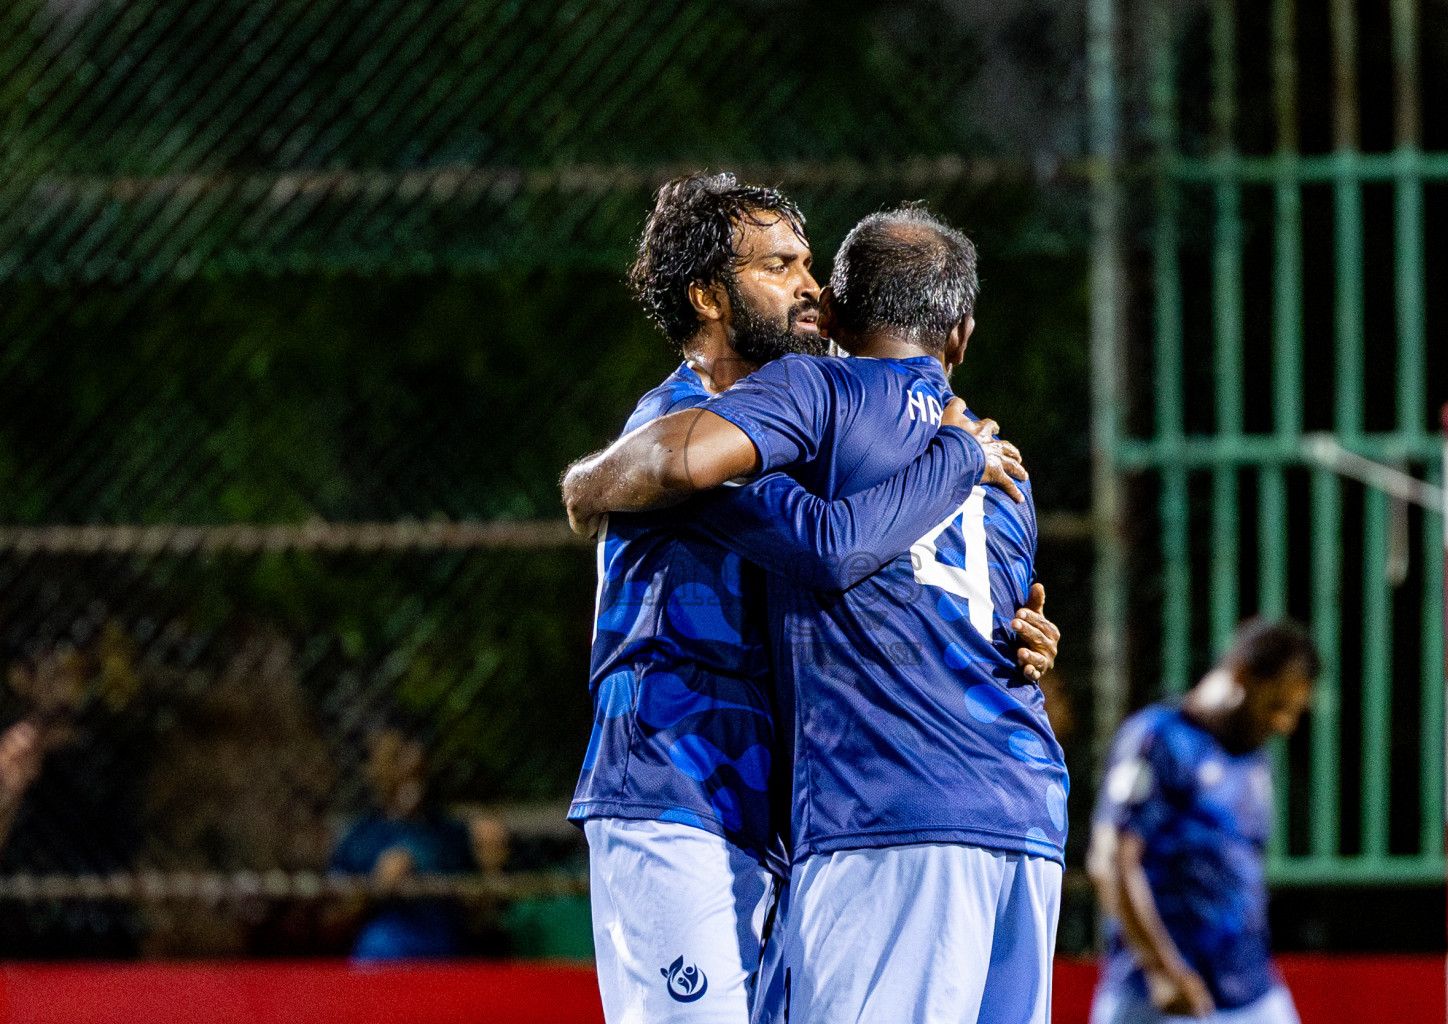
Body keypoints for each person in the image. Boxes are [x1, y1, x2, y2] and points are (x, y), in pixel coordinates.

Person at [562, 175, 1060, 1024]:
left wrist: (996, 634)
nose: (811, 286)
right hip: (675, 784)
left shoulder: (813, 421)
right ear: (707, 296)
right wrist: (586, 483)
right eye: (779, 266)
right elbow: (829, 547)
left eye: (809, 264)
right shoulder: (688, 424)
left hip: (794, 805)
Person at [1086, 618, 1320, 1024]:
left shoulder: (1253, 756)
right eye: (1276, 706)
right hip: (1162, 996)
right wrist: (1161, 970)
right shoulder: (1159, 739)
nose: (1283, 724)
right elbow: (1111, 860)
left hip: (1251, 990)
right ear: (1242, 675)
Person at [328, 717, 506, 960]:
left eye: (412, 752)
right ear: (371, 770)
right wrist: (374, 888)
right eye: (395, 757)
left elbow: (479, 919)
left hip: (448, 948)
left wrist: (490, 869)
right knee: (376, 945)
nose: (410, 765)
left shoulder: (450, 832)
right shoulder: (359, 839)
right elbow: (333, 920)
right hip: (386, 951)